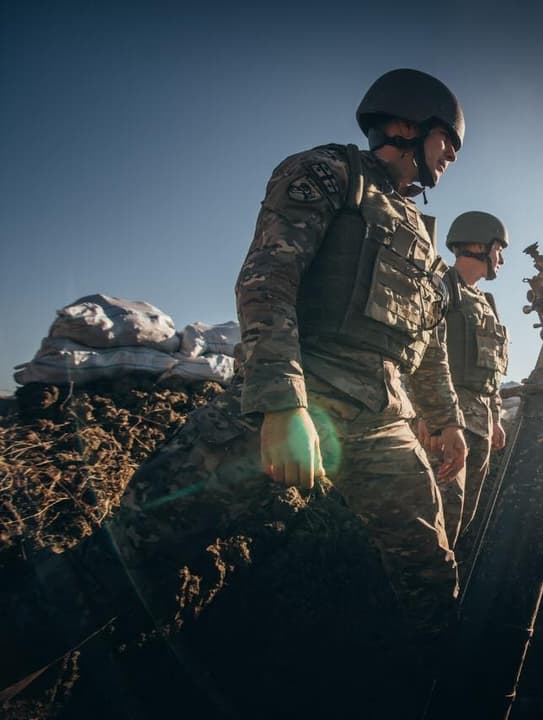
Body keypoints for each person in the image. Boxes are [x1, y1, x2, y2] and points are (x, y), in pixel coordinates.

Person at [2, 68, 470, 716]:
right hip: (298, 391)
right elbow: (266, 281)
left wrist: (448, 422)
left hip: (384, 420)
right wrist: (284, 403)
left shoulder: (421, 236)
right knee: (138, 540)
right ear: (408, 123)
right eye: (449, 138)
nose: (452, 155)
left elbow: (431, 347)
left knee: (431, 578)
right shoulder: (328, 172)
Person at [417, 211, 509, 580]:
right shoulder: (442, 286)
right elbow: (420, 349)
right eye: (498, 248)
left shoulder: (487, 303)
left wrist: (497, 418)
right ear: (478, 245)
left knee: (461, 519)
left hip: (480, 425)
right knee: (438, 515)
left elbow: (493, 372)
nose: (501, 258)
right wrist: (429, 413)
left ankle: (436, 592)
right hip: (447, 421)